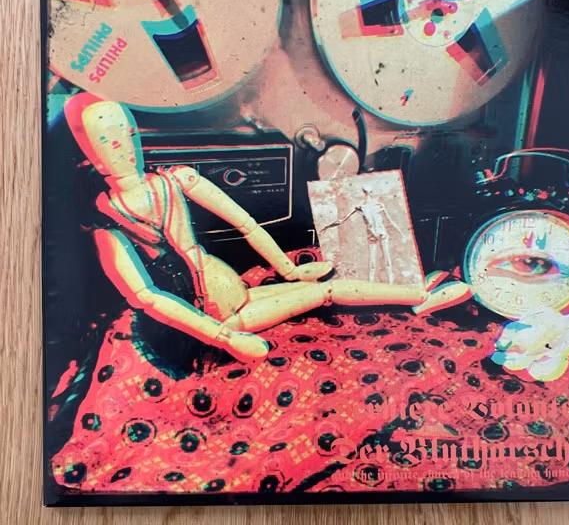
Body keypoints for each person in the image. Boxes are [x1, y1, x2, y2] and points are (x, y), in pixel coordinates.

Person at [64, 93, 427, 363]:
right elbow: (147, 298)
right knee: (325, 292)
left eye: (128, 133)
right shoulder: (107, 226)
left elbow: (246, 224)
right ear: (92, 155)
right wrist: (226, 339)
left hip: (231, 290)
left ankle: (417, 294)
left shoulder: (176, 180)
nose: (125, 146)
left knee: (320, 289)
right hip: (217, 316)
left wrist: (288, 269)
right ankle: (420, 296)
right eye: (108, 141)